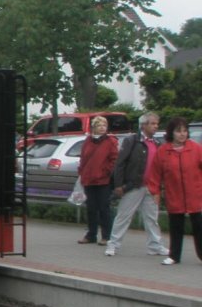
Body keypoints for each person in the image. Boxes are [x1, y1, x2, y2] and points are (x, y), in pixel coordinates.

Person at [105, 111, 168, 257]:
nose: (156, 126)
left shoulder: (157, 143)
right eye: (152, 123)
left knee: (152, 219)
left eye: (157, 124)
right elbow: (120, 163)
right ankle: (113, 244)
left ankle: (155, 246)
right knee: (123, 216)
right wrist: (118, 185)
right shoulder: (132, 141)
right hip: (133, 185)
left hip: (151, 187)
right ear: (143, 125)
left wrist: (160, 186)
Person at [148, 116, 202, 265]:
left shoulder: (196, 148)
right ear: (171, 132)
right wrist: (155, 191)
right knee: (176, 226)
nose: (182, 134)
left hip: (195, 193)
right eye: (178, 131)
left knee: (199, 226)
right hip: (174, 194)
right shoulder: (163, 151)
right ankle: (174, 256)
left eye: (185, 131)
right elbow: (155, 173)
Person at [77, 116, 118, 246]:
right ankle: (91, 235)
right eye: (99, 125)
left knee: (104, 208)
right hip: (89, 179)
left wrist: (106, 171)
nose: (102, 128)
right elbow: (83, 158)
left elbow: (114, 159)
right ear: (93, 127)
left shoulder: (110, 141)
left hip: (103, 180)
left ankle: (106, 236)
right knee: (91, 208)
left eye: (104, 125)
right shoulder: (88, 141)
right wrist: (82, 172)